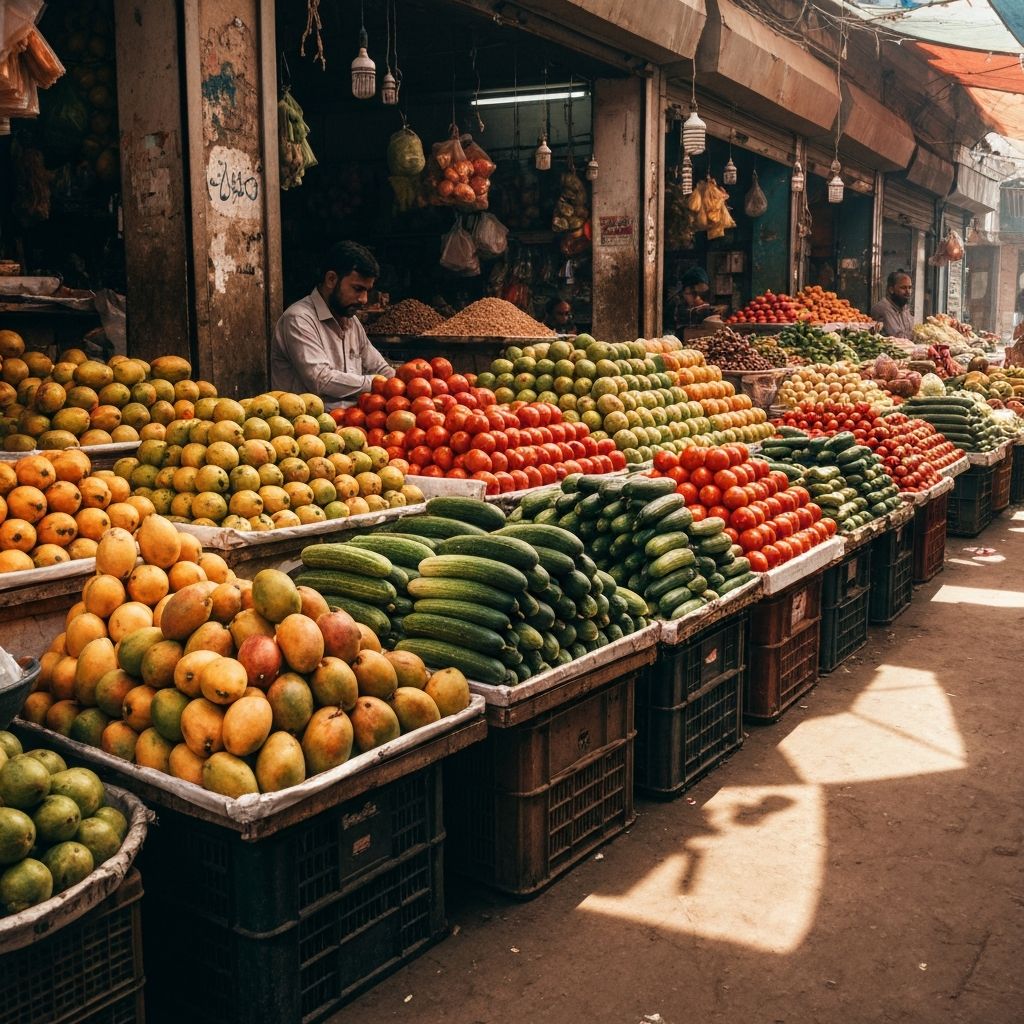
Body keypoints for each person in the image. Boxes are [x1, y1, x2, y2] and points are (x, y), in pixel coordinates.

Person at [271, 240, 396, 408]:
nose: (364, 299)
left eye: (367, 291)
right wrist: (377, 383)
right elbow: (322, 380)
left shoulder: (352, 321)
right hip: (307, 427)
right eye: (358, 289)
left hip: (351, 423)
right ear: (331, 279)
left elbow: (379, 368)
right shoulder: (298, 319)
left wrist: (403, 382)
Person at [870, 271, 915, 339]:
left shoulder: (904, 307)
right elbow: (898, 337)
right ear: (891, 289)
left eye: (910, 288)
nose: (908, 292)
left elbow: (913, 330)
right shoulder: (883, 308)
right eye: (903, 288)